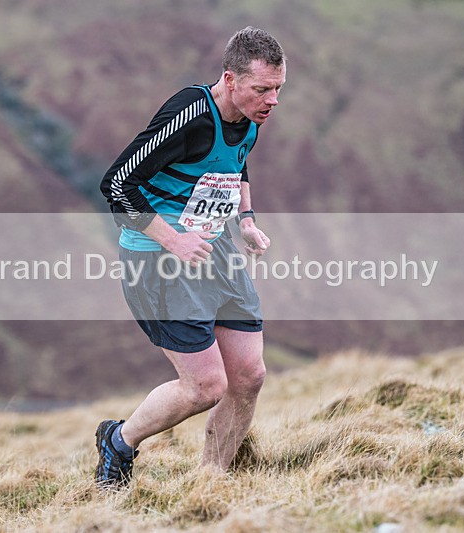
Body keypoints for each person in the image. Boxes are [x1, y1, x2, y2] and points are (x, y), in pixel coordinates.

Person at [96, 26, 286, 488]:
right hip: (157, 260)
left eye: (278, 89)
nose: (272, 101)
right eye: (262, 89)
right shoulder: (191, 116)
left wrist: (246, 220)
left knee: (249, 375)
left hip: (215, 250)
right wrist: (174, 240)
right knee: (206, 387)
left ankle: (209, 484)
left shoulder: (249, 115)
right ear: (230, 78)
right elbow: (117, 185)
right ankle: (119, 442)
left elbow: (235, 162)